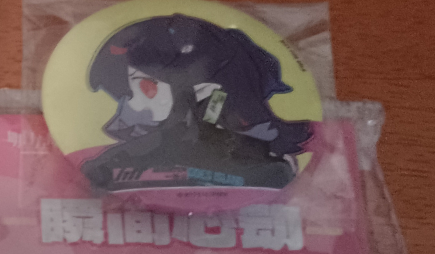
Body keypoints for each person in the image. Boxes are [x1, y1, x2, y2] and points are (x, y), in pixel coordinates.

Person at [80, 14, 314, 190]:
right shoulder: (124, 156)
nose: (135, 99)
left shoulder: (267, 163)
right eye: (134, 81)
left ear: (207, 90)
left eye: (148, 84)